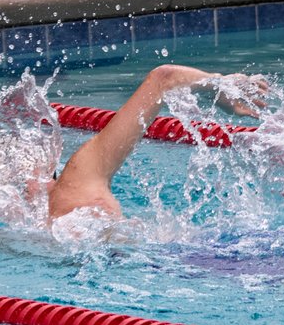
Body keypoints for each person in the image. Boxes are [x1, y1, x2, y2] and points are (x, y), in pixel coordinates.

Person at [32, 64, 268, 226]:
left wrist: (220, 85)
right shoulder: (77, 184)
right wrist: (219, 86)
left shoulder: (70, 189)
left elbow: (164, 78)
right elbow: (164, 78)